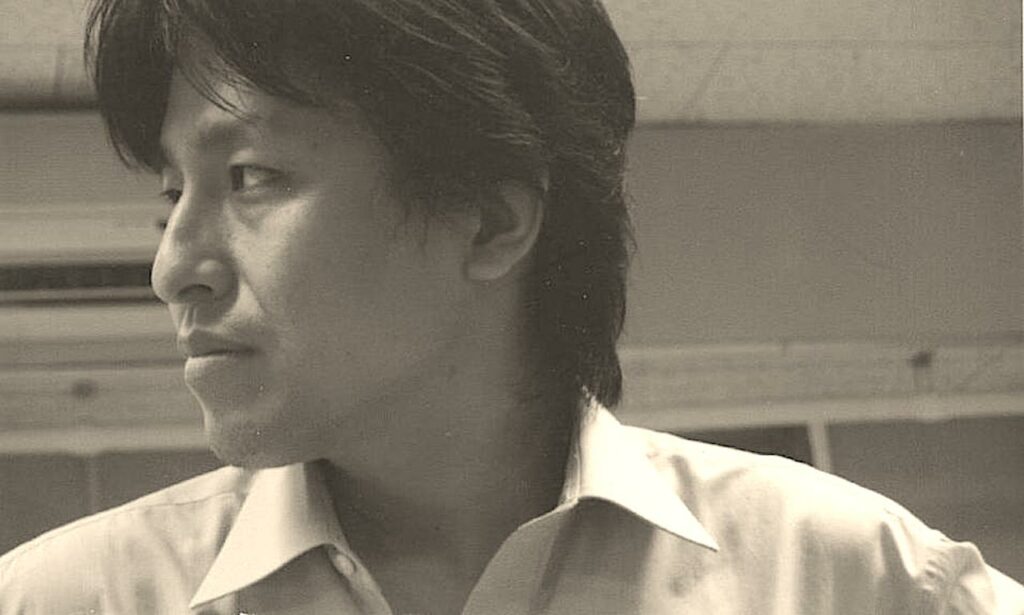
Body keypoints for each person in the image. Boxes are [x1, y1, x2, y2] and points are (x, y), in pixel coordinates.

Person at [1, 0, 1022, 612]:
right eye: (171, 195)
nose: (173, 267)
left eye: (251, 177)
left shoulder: (845, 578)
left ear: (490, 221)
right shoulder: (64, 599)